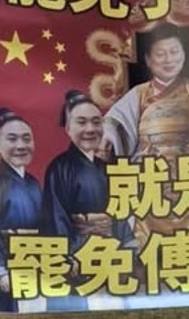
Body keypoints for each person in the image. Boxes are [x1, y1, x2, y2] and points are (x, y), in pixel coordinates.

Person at [101, 21, 189, 308]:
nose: (168, 59)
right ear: (149, 60)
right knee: (145, 208)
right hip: (151, 172)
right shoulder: (138, 94)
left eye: (174, 52)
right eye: (160, 54)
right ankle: (153, 272)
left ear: (183, 56)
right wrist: (110, 134)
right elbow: (116, 120)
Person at [41, 90, 136, 312]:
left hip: (110, 251)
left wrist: (128, 244)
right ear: (68, 128)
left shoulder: (107, 169)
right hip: (78, 254)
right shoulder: (59, 168)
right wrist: (68, 256)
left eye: (96, 122)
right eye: (81, 122)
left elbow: (119, 210)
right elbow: (56, 216)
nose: (90, 129)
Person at [0, 108, 42, 313]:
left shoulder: (33, 183)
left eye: (26, 139)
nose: (21, 146)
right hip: (6, 262)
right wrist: (0, 270)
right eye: (12, 139)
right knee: (5, 309)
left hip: (32, 260)